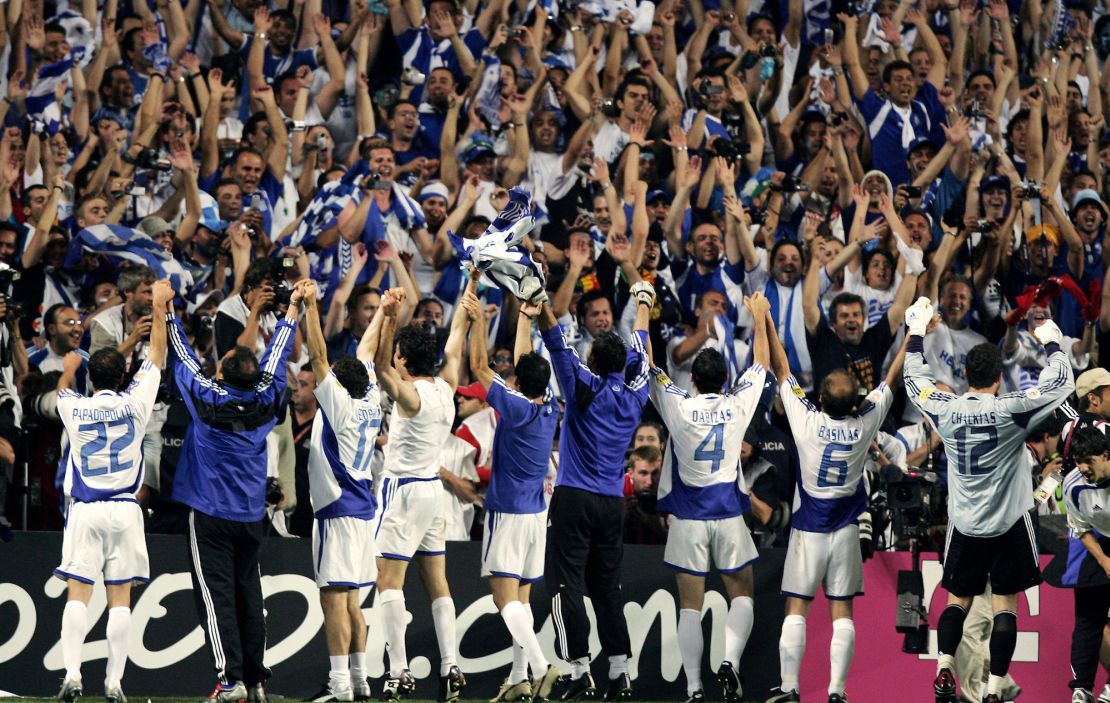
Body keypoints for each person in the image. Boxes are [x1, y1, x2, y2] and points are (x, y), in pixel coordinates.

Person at [903, 296, 1074, 703]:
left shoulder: (945, 408)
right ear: (998, 376)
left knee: (957, 600)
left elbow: (913, 381)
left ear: (964, 374)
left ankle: (944, 666)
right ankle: (995, 690)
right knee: (1004, 607)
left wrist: (914, 334)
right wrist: (1051, 342)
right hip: (1009, 523)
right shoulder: (1009, 410)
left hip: (965, 524)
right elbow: (1060, 385)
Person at [167, 278, 305, 702]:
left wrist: (167, 311)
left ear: (222, 373)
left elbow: (184, 356)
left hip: (210, 515)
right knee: (249, 596)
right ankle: (257, 681)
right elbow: (279, 357)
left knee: (216, 598)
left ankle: (230, 682)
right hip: (250, 518)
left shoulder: (207, 398)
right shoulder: (267, 399)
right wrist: (291, 313)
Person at [764, 300, 903, 703]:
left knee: (797, 608)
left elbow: (782, 368)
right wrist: (912, 332)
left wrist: (768, 320)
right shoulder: (865, 424)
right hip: (845, 529)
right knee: (842, 613)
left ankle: (790, 688)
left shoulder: (807, 421)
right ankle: (837, 692)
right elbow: (890, 381)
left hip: (808, 528)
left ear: (821, 400)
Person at [53, 279, 172, 703]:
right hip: (125, 509)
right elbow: (156, 355)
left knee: (78, 594)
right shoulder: (136, 402)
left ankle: (72, 674)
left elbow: (61, 390)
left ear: (92, 375)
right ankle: (114, 682)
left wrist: (70, 366)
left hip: (86, 510)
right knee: (120, 598)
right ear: (123, 374)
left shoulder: (74, 406)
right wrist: (159, 306)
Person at [648, 292, 771, 703]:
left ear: (694, 380)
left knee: (689, 607)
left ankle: (694, 688)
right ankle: (730, 662)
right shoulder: (737, 403)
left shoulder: (678, 405)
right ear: (724, 379)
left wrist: (645, 310)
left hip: (687, 516)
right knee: (742, 596)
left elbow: (648, 367)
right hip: (728, 515)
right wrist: (759, 317)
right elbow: (762, 365)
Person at [537, 280, 656, 700]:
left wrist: (540, 302)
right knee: (607, 588)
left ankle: (578, 668)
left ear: (592, 358)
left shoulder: (582, 387)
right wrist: (643, 301)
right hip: (611, 503)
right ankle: (620, 672)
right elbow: (644, 352)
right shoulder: (636, 394)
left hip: (573, 498)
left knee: (563, 583)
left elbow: (554, 342)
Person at [461, 286, 562, 702]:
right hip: (538, 514)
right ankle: (520, 677)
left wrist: (479, 320)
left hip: (507, 511)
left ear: (518, 382)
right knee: (521, 596)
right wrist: (526, 316)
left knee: (504, 598)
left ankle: (541, 667)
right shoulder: (550, 405)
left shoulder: (515, 407)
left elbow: (479, 364)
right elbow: (521, 363)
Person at [372, 284, 472, 702]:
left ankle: (398, 671)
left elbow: (379, 370)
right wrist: (469, 287)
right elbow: (457, 338)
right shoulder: (446, 388)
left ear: (403, 359)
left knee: (388, 581)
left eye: (398, 354)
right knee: (437, 581)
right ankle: (450, 666)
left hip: (404, 492)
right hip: (433, 492)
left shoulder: (411, 397)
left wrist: (389, 316)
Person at [301, 279, 384, 702]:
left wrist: (311, 305)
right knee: (352, 602)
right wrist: (385, 310)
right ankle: (360, 679)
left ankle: (339, 685)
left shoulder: (340, 404)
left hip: (335, 510)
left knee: (335, 601)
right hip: (362, 511)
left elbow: (317, 354)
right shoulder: (369, 398)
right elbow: (366, 353)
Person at [1062, 427, 1110, 703]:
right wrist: (1103, 560)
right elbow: (1080, 528)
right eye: (1078, 460)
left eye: (1088, 460)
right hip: (1096, 540)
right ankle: (1082, 688)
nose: (1083, 467)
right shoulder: (1073, 484)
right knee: (1088, 619)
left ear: (1105, 455)